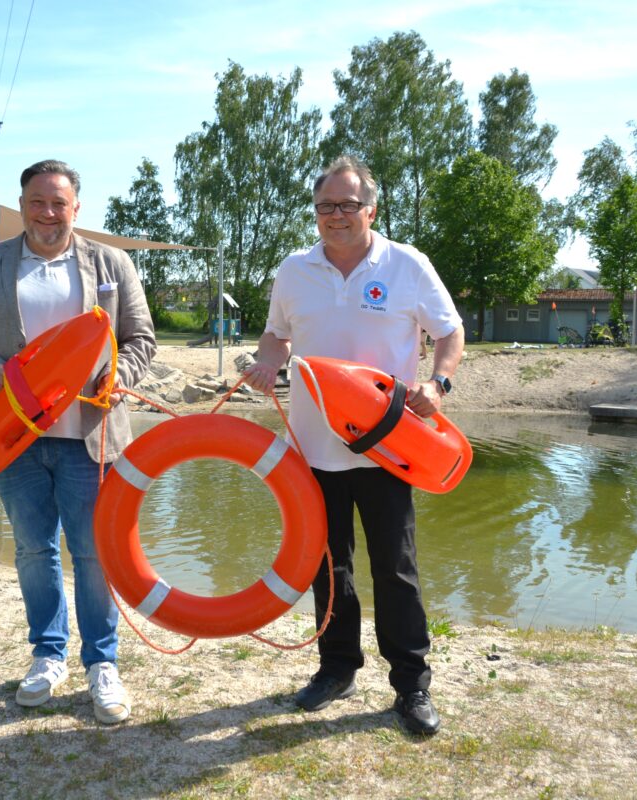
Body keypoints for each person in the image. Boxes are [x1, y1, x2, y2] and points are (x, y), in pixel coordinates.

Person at [243, 155, 464, 736]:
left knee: (396, 569)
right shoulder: (294, 270)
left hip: (388, 448)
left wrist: (437, 385)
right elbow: (276, 334)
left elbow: (449, 330)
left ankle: (411, 685)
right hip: (313, 447)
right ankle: (337, 667)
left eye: (347, 205)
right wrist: (268, 363)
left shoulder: (406, 264)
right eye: (325, 206)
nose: (335, 216)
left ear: (371, 209)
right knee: (327, 565)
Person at [0, 159, 156, 724]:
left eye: (59, 203)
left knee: (93, 553)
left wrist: (119, 379)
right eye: (37, 201)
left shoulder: (112, 263)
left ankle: (101, 664)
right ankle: (48, 654)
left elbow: (141, 340)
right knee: (34, 551)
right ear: (22, 205)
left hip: (90, 437)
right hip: (13, 439)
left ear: (76, 208)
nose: (48, 213)